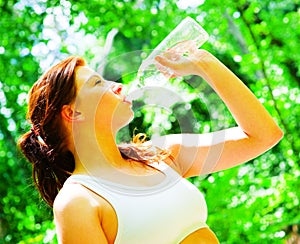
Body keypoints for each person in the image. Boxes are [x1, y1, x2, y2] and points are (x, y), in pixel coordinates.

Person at [18, 45, 283, 243]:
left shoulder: (160, 156)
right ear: (73, 113)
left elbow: (263, 135)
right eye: (99, 83)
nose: (118, 86)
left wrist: (205, 65)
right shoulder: (78, 202)